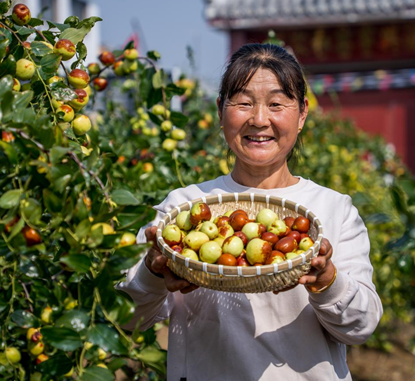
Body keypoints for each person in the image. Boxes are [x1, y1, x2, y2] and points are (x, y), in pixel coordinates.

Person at [118, 43, 382, 381]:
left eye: (275, 104)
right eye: (243, 103)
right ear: (220, 111)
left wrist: (328, 281)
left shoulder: (333, 209)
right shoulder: (184, 209)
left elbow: (362, 327)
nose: (259, 119)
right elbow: (125, 317)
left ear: (301, 114)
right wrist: (152, 274)